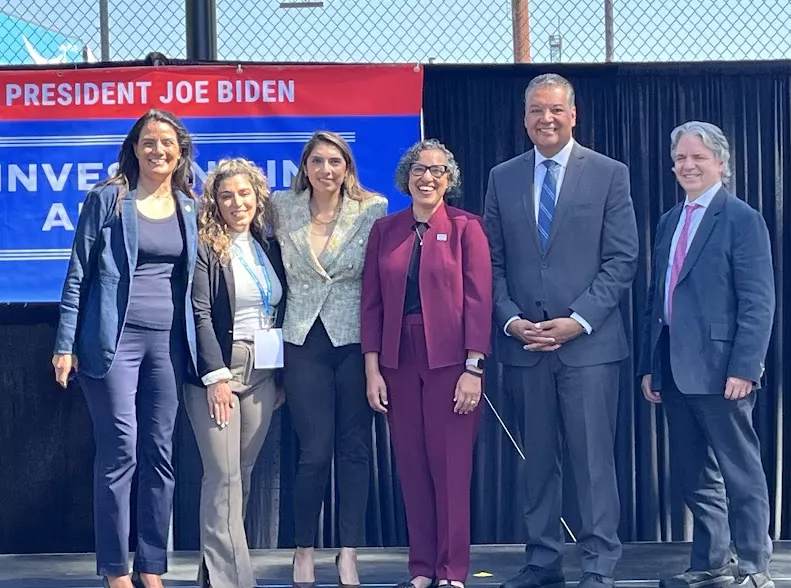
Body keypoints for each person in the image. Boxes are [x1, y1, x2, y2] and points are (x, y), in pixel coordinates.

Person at [483, 73, 639, 588]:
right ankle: (543, 562)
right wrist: (509, 319)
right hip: (525, 345)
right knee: (537, 464)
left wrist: (576, 321)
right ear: (524, 118)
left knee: (593, 464)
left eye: (554, 110)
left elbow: (622, 258)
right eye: (535, 111)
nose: (545, 119)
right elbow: (492, 264)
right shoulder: (502, 177)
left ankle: (598, 566)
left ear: (573, 114)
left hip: (589, 347)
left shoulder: (609, 174)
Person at [52, 109, 199, 588]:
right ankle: (115, 569)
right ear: (134, 149)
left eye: (167, 142)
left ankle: (151, 566)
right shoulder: (109, 199)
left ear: (181, 150)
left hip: (169, 344)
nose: (159, 150)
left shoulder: (188, 204)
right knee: (120, 452)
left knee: (160, 453)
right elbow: (78, 275)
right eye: (149, 141)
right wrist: (64, 345)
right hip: (111, 342)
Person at [638, 121, 775, 588]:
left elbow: (758, 300)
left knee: (740, 472)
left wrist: (744, 366)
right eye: (680, 158)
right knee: (695, 475)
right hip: (674, 370)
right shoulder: (668, 221)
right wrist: (651, 366)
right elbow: (658, 299)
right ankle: (710, 564)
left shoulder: (741, 218)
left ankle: (755, 565)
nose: (688, 165)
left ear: (721, 163)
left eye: (698, 157)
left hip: (722, 372)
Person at [361, 139, 492, 588]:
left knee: (451, 467)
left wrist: (473, 368)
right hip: (397, 359)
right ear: (406, 177)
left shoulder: (465, 227)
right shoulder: (386, 230)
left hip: (451, 361)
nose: (427, 177)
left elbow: (479, 301)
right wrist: (372, 368)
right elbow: (372, 304)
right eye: (419, 169)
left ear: (449, 179)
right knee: (412, 466)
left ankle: (452, 571)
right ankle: (421, 568)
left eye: (437, 170)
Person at [271, 131, 388, 587]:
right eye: (317, 161)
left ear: (347, 167)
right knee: (314, 452)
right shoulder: (282, 207)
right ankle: (303, 551)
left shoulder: (372, 209)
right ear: (306, 167)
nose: (326, 170)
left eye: (334, 161)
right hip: (302, 341)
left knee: (354, 450)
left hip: (356, 341)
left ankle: (349, 552)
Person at [185, 158, 287, 588]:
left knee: (240, 477)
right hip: (220, 372)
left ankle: (213, 575)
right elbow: (201, 312)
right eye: (226, 195)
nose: (236, 202)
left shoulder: (268, 243)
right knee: (223, 476)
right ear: (214, 201)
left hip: (263, 370)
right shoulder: (208, 245)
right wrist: (216, 376)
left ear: (257, 196)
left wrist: (281, 378)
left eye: (244, 193)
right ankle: (236, 581)